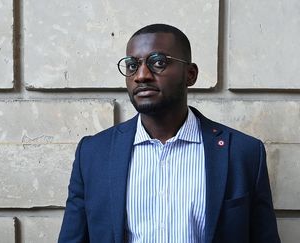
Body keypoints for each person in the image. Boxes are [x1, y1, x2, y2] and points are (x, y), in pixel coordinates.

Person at [58, 23, 280, 243]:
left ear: (190, 75)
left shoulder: (243, 153)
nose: (141, 75)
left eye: (158, 62)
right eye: (132, 65)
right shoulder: (93, 153)